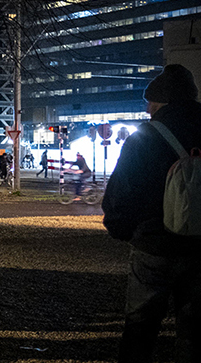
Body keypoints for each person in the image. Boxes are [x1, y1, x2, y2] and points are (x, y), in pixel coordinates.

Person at [103, 64, 201, 363]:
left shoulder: (146, 136)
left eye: (151, 104)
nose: (148, 110)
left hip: (153, 243)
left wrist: (121, 228)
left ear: (163, 101)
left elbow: (123, 190)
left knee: (141, 327)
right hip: (200, 246)